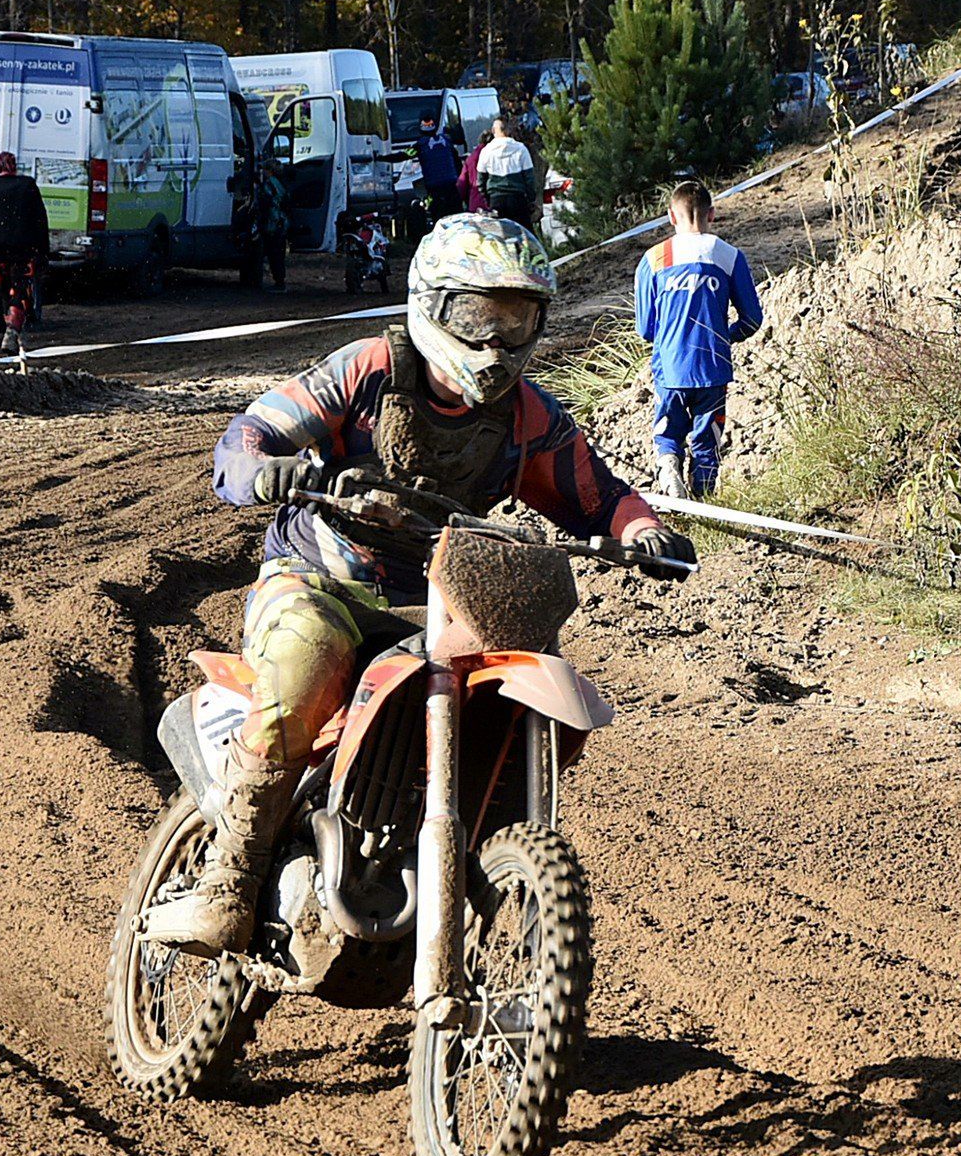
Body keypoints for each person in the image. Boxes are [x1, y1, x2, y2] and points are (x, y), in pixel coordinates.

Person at [162, 214, 696, 954]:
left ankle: (463, 851)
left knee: (518, 685)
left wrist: (644, 534)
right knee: (307, 663)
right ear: (435, 306)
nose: (495, 342)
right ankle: (229, 879)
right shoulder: (369, 370)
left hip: (443, 597)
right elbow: (246, 437)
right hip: (321, 577)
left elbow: (599, 495)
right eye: (479, 316)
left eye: (517, 322)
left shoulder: (526, 415)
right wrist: (267, 470)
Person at [634, 181, 764, 499]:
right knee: (707, 444)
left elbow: (644, 328)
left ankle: (668, 464)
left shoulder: (654, 258)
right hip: (713, 367)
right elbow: (752, 320)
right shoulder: (729, 255)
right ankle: (703, 503)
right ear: (713, 214)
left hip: (671, 366)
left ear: (671, 216)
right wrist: (724, 337)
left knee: (669, 430)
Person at [0, 151, 50, 353]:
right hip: (23, 251)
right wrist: (43, 251)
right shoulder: (27, 186)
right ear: (14, 167)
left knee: (7, 291)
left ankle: (14, 330)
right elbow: (41, 221)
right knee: (20, 290)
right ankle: (12, 330)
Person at [477, 119, 537, 228]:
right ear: (508, 130)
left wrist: (487, 200)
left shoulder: (486, 151)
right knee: (523, 234)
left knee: (501, 236)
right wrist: (531, 200)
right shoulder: (521, 149)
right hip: (518, 199)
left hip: (496, 200)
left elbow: (480, 181)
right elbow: (529, 178)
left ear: (493, 130)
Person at [414, 113, 463, 220]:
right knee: (457, 216)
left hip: (434, 188)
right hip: (452, 184)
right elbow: (457, 161)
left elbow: (402, 155)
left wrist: (381, 157)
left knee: (438, 218)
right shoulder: (447, 141)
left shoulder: (420, 145)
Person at [256, 157, 290, 290]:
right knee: (278, 254)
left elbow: (265, 204)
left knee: (273, 253)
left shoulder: (269, 184)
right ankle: (280, 281)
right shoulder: (281, 183)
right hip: (282, 223)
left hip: (273, 223)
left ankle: (279, 283)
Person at [457, 129, 492, 213]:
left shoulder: (471, 158)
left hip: (475, 204)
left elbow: (462, 184)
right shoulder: (495, 155)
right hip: (494, 203)